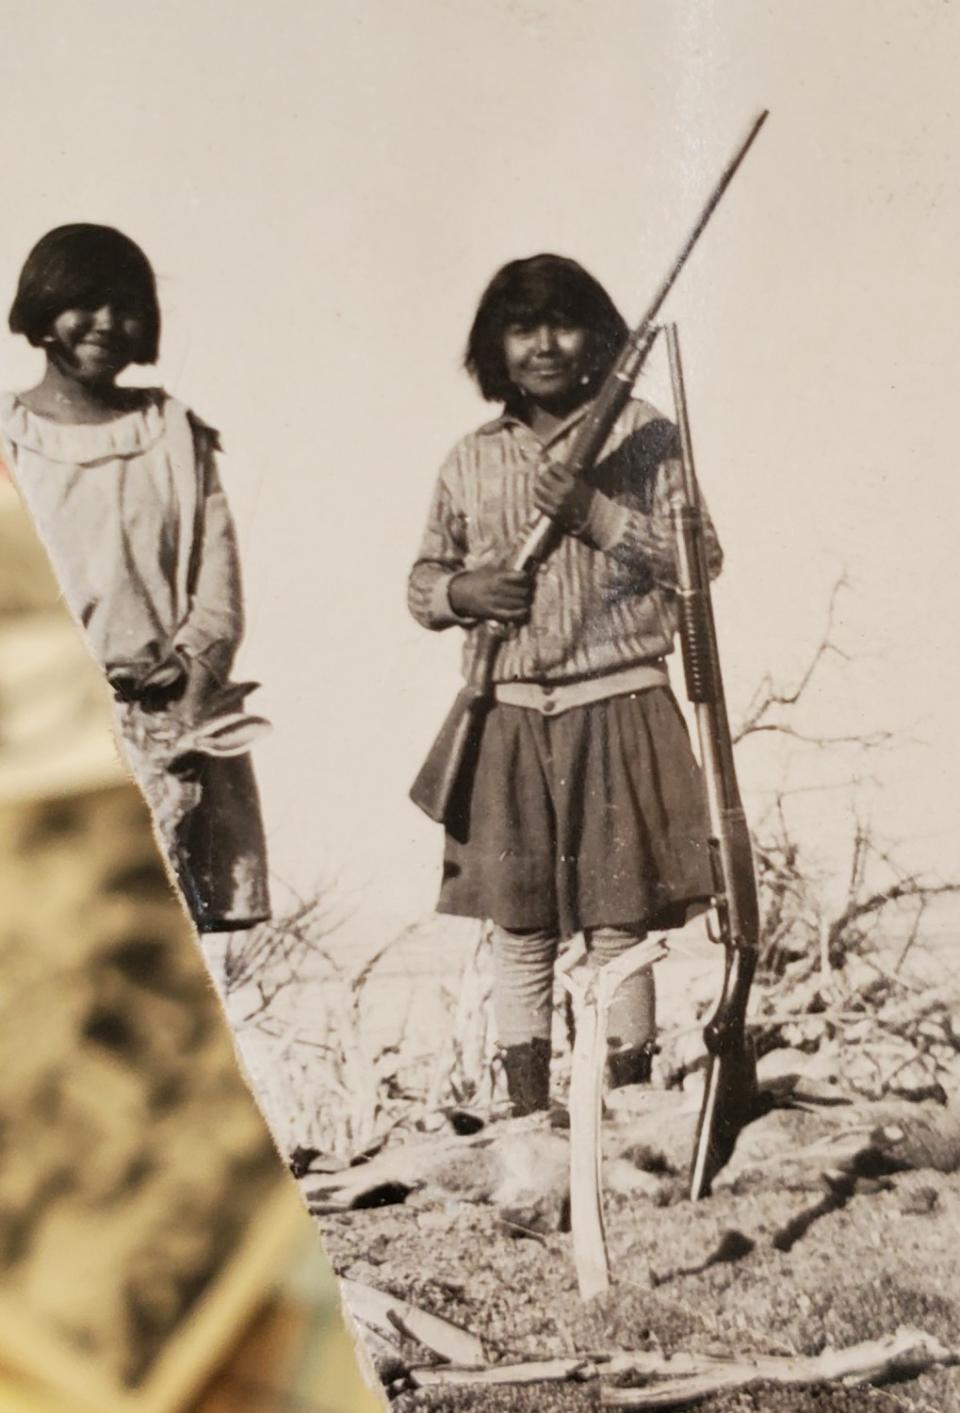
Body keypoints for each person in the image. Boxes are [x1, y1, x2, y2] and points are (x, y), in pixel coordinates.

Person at [408, 253, 721, 1115]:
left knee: (619, 922)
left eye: (562, 323)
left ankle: (624, 1109)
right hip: (507, 715)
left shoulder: (646, 433)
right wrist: (463, 592)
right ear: (494, 347)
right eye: (521, 327)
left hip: (617, 700)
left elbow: (701, 559)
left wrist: (594, 513)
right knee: (521, 926)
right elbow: (422, 582)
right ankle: (526, 1116)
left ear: (597, 336)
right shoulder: (469, 460)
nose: (544, 345)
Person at [0, 223, 270, 932]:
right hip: (38, 728)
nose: (106, 324)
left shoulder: (175, 434)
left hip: (168, 725)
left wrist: (186, 681)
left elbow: (219, 590)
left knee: (152, 939)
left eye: (125, 306)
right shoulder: (8, 435)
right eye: (83, 303)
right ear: (41, 306)